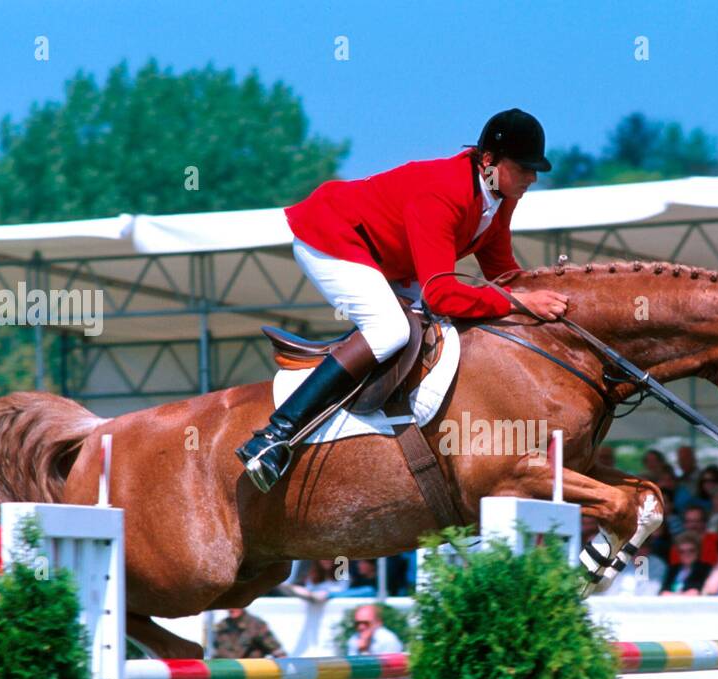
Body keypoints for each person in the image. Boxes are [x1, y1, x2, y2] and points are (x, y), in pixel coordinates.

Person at [236, 109, 567, 491]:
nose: (533, 178)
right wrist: (520, 304)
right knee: (390, 329)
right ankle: (274, 436)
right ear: (489, 161)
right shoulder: (445, 190)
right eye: (524, 167)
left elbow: (501, 272)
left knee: (443, 333)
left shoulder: (499, 197)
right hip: (331, 238)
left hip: (389, 260)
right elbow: (441, 293)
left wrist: (544, 300)